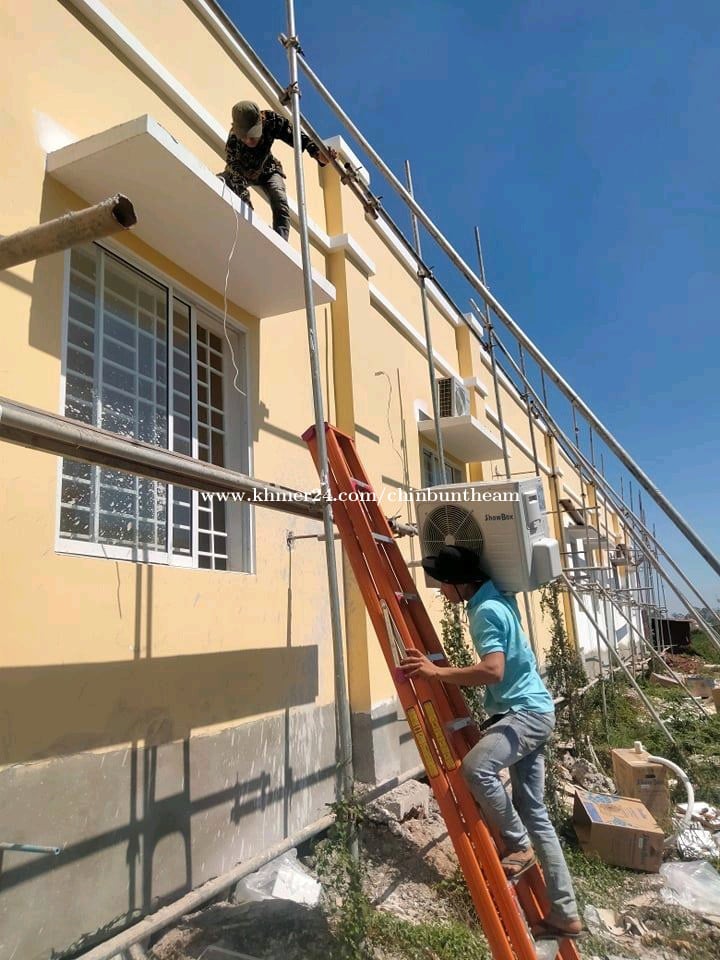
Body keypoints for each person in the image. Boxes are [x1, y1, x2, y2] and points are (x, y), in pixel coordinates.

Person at [399, 545, 583, 941]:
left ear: (459, 584)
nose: (440, 591)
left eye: (443, 584)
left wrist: (436, 672)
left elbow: (492, 670)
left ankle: (518, 846)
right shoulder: (498, 596)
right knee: (534, 812)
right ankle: (565, 913)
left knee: (476, 768)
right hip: (534, 709)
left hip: (524, 713)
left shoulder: (484, 611)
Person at [219, 100, 335, 241]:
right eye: (244, 137)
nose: (249, 140)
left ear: (261, 122)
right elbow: (235, 175)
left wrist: (318, 154)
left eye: (253, 134)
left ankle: (281, 240)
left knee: (280, 200)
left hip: (268, 170)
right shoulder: (233, 141)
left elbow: (297, 137)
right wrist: (247, 210)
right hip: (242, 174)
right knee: (221, 181)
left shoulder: (271, 121)